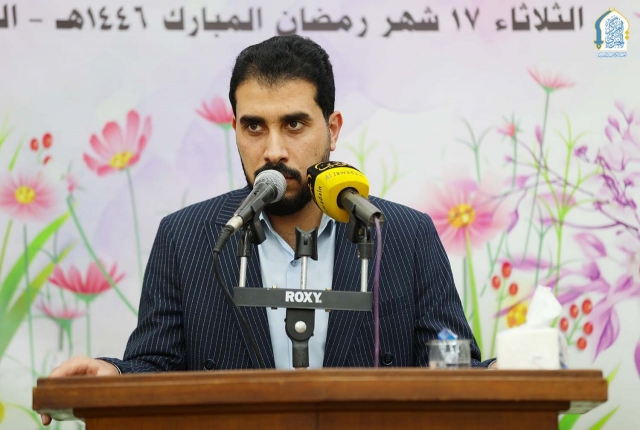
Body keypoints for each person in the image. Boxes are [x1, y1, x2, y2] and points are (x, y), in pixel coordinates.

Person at [41, 35, 493, 426]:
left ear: (332, 129)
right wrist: (115, 375)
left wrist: (505, 368)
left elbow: (453, 368)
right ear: (235, 129)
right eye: (254, 126)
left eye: (294, 124)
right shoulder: (186, 238)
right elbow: (157, 366)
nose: (274, 151)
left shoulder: (404, 235)